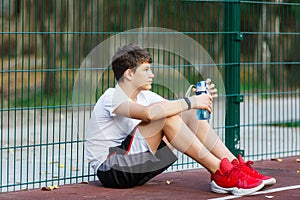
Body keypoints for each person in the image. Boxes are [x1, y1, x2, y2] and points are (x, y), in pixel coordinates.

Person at [85, 44, 276, 196]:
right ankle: (219, 172)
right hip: (113, 170)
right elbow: (149, 115)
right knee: (164, 117)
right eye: (146, 70)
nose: (152, 75)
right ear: (129, 73)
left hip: (136, 165)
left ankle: (234, 165)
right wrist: (190, 101)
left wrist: (200, 99)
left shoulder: (145, 96)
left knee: (187, 113)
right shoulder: (111, 96)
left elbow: (178, 111)